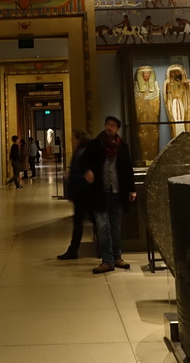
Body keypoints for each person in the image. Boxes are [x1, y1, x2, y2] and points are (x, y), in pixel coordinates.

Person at [83, 116, 136, 274]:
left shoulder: (122, 147)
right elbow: (83, 162)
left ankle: (117, 257)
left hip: (117, 193)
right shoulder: (95, 144)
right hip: (100, 193)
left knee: (116, 228)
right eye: (107, 124)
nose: (109, 127)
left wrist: (132, 189)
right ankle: (107, 260)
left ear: (117, 129)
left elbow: (128, 169)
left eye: (112, 125)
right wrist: (87, 171)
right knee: (103, 228)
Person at [57, 129, 94, 260]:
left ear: (79, 140)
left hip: (81, 194)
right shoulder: (84, 152)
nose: (72, 141)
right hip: (84, 193)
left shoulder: (79, 154)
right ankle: (103, 248)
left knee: (80, 222)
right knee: (91, 221)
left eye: (74, 138)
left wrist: (72, 179)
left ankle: (73, 250)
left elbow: (82, 175)